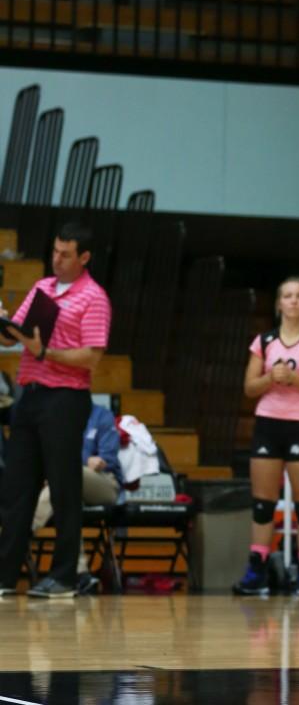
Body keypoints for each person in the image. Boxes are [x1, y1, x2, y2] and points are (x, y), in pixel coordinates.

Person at [0, 221, 111, 598]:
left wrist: (46, 352)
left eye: (66, 254)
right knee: (17, 487)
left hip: (65, 398)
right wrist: (4, 325)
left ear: (84, 257)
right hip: (29, 393)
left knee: (64, 487)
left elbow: (92, 357)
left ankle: (64, 576)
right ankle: (5, 575)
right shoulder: (42, 288)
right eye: (54, 252)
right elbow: (18, 332)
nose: (57, 260)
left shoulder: (94, 297)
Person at [233, 277, 299, 596]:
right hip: (268, 423)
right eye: (287, 296)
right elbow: (249, 388)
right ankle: (257, 569)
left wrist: (295, 379)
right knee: (264, 504)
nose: (293, 301)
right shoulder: (263, 342)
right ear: (278, 304)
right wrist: (269, 378)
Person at [32, 401, 122, 594]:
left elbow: (109, 459)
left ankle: (22, 529)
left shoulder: (102, 416)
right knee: (67, 497)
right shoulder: (57, 419)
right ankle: (80, 574)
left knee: (67, 476)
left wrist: (89, 462)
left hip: (103, 483)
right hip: (67, 485)